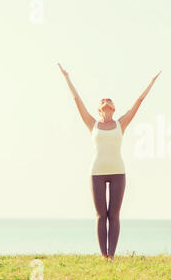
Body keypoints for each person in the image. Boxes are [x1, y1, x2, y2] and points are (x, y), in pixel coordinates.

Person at [58, 63, 161, 260]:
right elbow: (76, 99)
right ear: (99, 109)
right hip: (96, 172)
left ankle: (111, 256)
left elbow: (138, 101)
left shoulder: (121, 123)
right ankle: (103, 256)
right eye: (102, 100)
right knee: (100, 216)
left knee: (113, 215)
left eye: (109, 100)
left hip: (117, 172)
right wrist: (67, 77)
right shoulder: (92, 123)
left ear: (113, 108)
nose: (106, 101)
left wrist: (151, 82)